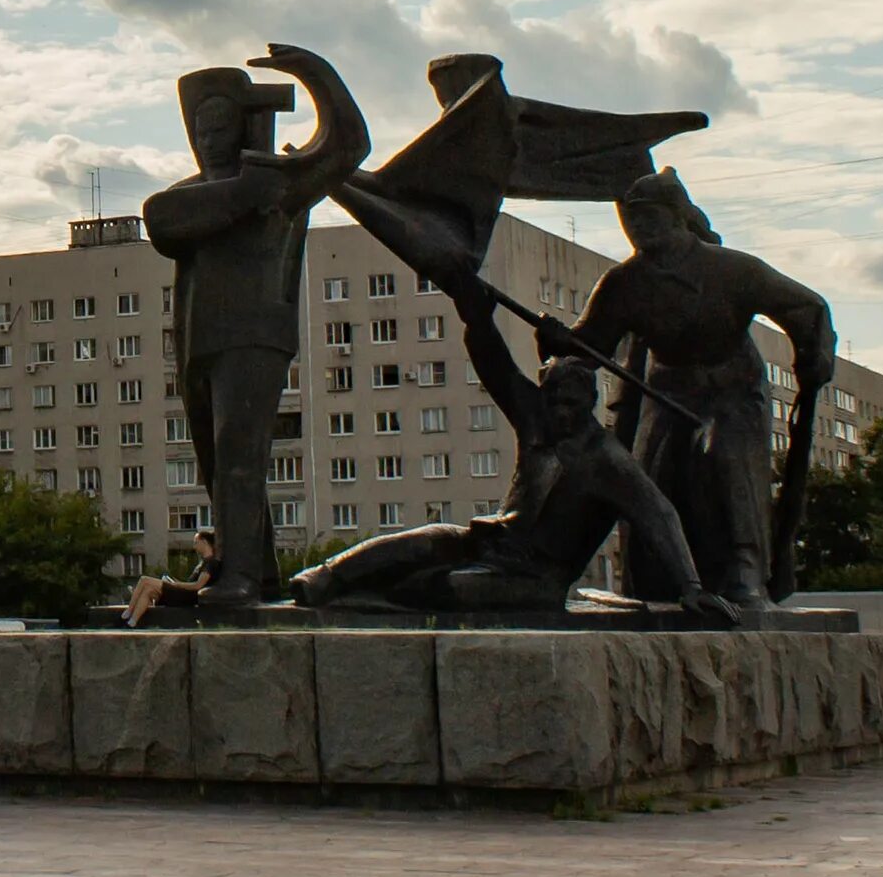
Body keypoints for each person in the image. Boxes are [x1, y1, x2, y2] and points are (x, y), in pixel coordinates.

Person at [290, 281, 733, 620]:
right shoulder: (535, 417)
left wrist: (691, 586)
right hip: (490, 541)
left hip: (538, 577)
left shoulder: (608, 462)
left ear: (590, 404)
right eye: (553, 401)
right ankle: (326, 578)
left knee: (447, 589)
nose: (560, 413)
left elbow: (659, 514)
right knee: (428, 540)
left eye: (571, 406)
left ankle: (370, 599)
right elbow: (497, 368)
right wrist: (477, 320)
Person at [142, 45, 370, 609]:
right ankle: (257, 571)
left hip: (254, 335)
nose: (208, 137)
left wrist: (314, 72)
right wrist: (250, 192)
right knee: (219, 464)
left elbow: (349, 145)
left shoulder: (285, 181)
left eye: (219, 123)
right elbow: (162, 221)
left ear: (244, 122)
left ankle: (239, 578)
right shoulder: (203, 194)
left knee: (238, 454)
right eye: (199, 126)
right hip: (199, 343)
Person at [573, 170, 834, 611]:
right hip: (666, 393)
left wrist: (815, 358)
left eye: (649, 218)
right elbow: (590, 340)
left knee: (730, 465)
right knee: (650, 478)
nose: (638, 229)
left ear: (677, 217)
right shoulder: (624, 282)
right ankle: (653, 579)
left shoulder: (732, 269)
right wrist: (559, 338)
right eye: (630, 221)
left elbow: (807, 307)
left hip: (732, 389)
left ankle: (745, 573)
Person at [124, 529, 221, 626]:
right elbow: (192, 582)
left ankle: (129, 610)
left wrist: (176, 584)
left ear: (204, 542)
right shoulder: (203, 562)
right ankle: (132, 622)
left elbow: (197, 585)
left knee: (144, 580)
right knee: (148, 590)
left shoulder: (211, 563)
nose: (194, 546)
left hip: (187, 597)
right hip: (182, 593)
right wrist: (177, 582)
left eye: (196, 543)